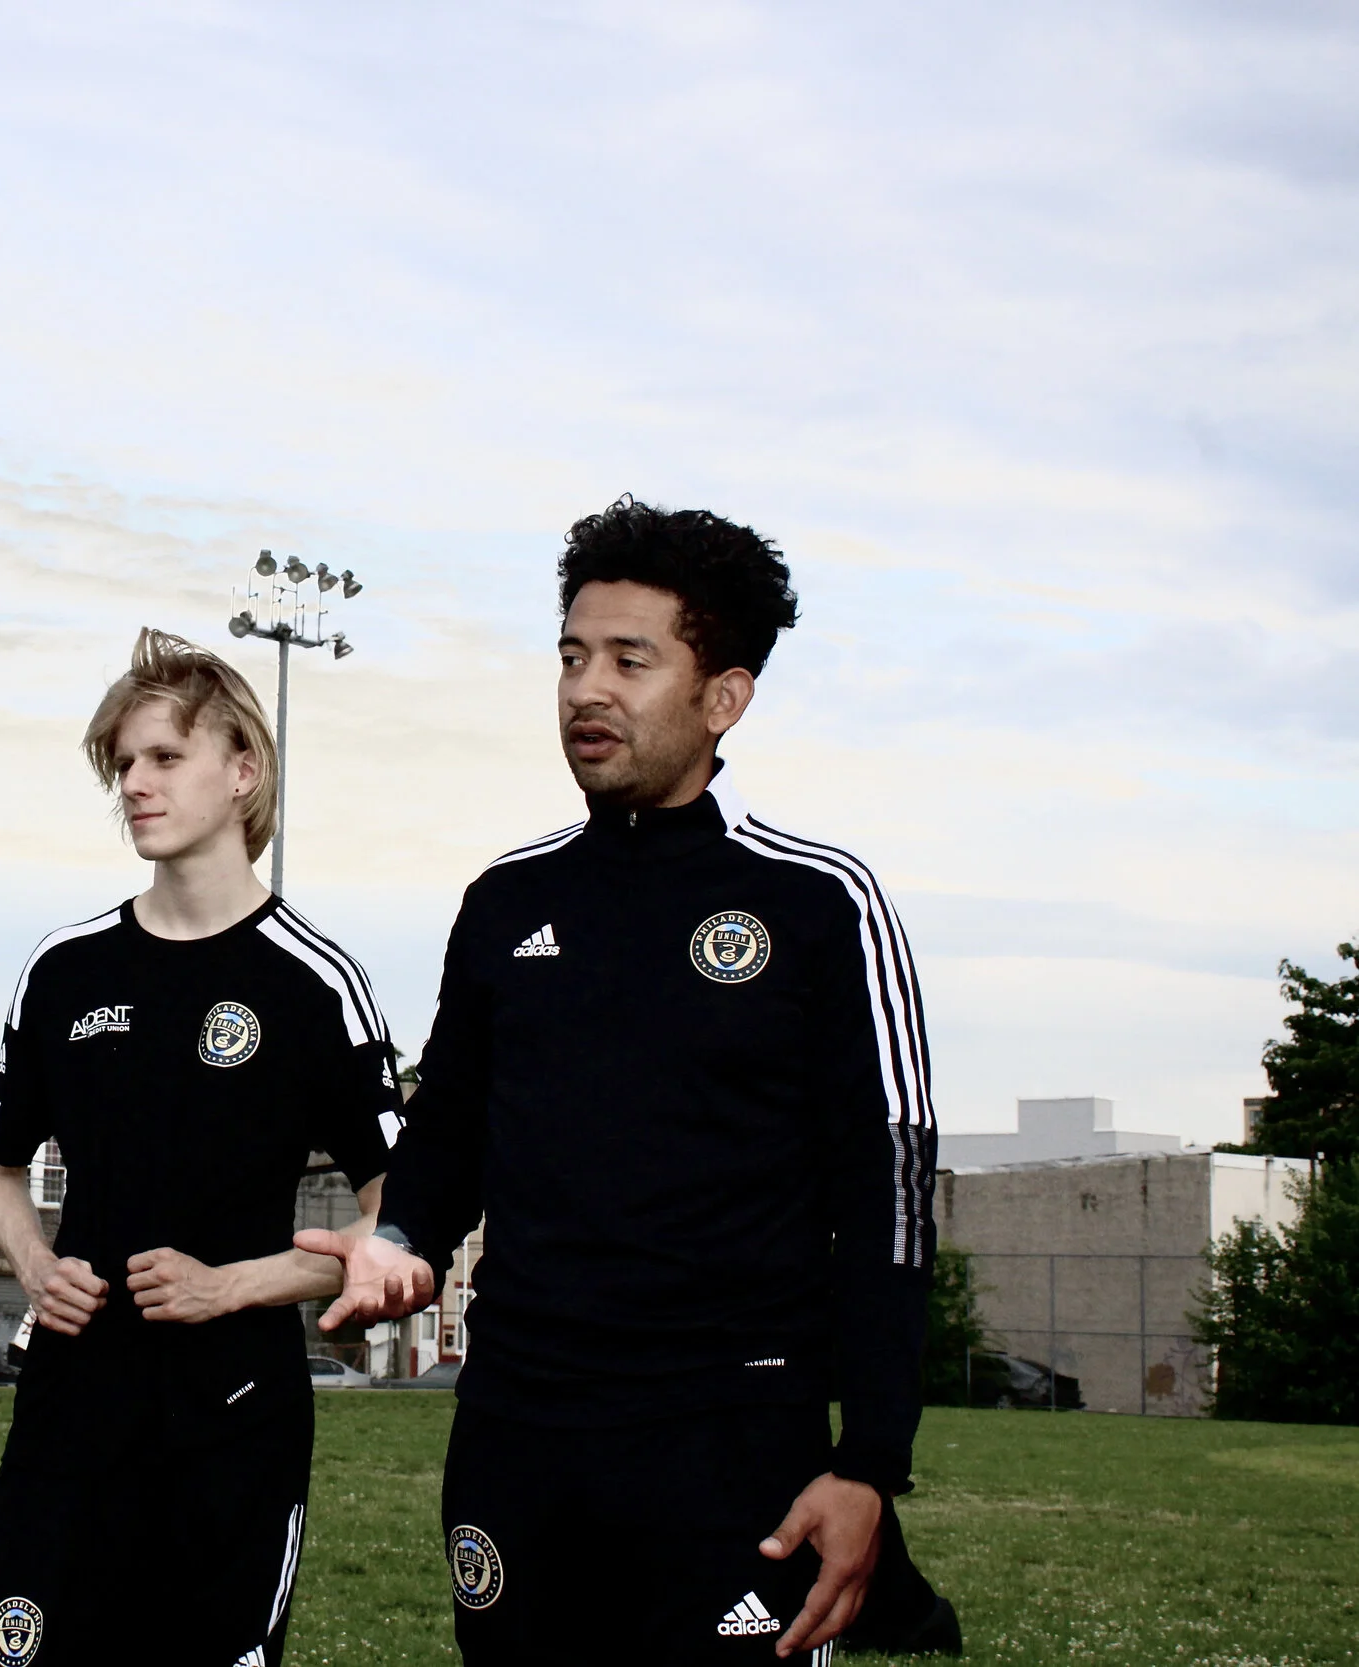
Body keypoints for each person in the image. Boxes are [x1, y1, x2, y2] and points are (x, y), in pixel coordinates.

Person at [301, 497, 939, 1665]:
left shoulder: (820, 903)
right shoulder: (507, 902)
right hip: (517, 1434)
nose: (585, 687)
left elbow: (888, 1199)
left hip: (732, 1442)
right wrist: (406, 1237)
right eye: (570, 655)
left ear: (723, 695)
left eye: (628, 659)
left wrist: (868, 1465)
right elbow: (444, 1141)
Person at [0, 628, 404, 1667]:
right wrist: (34, 1265)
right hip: (71, 1406)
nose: (135, 784)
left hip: (231, 1415)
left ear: (242, 769)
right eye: (122, 763)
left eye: (163, 756)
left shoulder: (313, 982)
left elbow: (405, 1210)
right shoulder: (64, 969)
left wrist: (237, 1285)